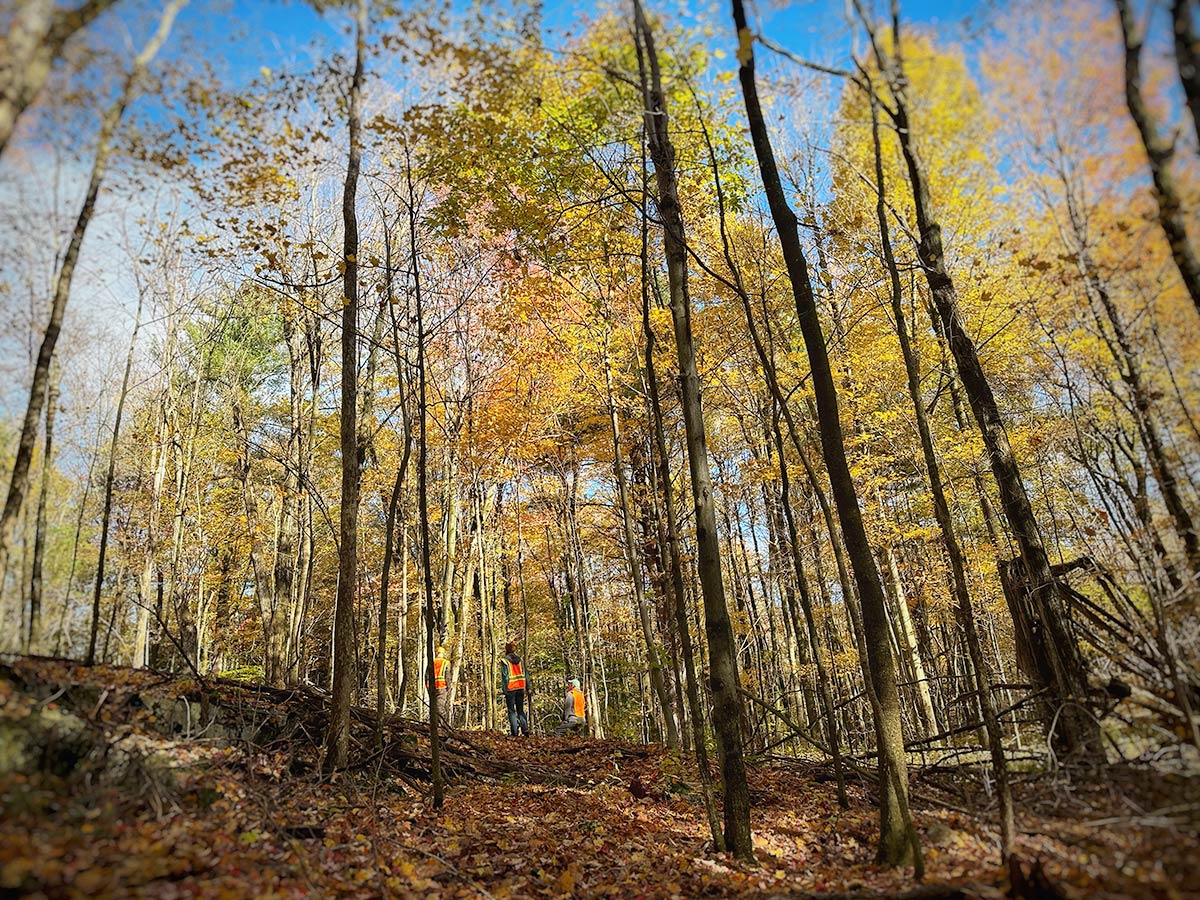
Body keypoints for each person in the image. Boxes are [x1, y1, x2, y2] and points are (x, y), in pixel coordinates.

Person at [499, 641, 530, 737]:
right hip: (521, 687)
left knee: (511, 710)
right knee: (520, 709)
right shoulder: (520, 660)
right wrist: (528, 687)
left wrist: (505, 689)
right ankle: (525, 729)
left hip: (511, 688)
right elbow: (525, 674)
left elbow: (505, 676)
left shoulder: (505, 661)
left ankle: (514, 732)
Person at [429, 645, 450, 724]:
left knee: (433, 706)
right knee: (440, 706)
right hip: (442, 687)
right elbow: (447, 677)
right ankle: (440, 724)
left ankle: (433, 723)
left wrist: (428, 687)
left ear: (436, 653)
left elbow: (426, 676)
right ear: (442, 653)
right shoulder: (446, 663)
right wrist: (449, 687)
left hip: (432, 688)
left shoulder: (431, 662)